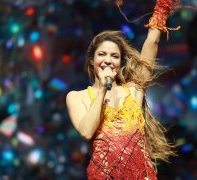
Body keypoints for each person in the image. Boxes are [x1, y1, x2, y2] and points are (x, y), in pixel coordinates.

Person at [66, 0, 179, 179]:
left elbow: (152, 41)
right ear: (91, 61)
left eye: (114, 56)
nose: (108, 60)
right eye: (102, 54)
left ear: (119, 64)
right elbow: (87, 132)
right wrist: (102, 89)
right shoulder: (76, 97)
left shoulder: (134, 90)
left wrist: (163, 6)